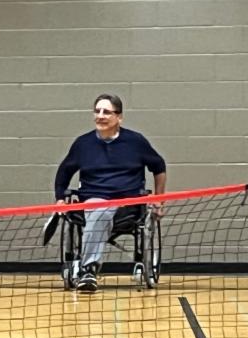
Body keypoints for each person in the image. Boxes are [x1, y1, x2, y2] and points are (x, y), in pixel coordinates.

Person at [54, 93, 167, 293]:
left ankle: (87, 268)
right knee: (100, 208)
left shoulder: (136, 141)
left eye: (106, 112)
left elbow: (159, 167)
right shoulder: (83, 144)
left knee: (102, 209)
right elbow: (64, 172)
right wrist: (60, 199)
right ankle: (88, 269)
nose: (101, 116)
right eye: (97, 111)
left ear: (119, 117)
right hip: (93, 200)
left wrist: (159, 201)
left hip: (129, 205)